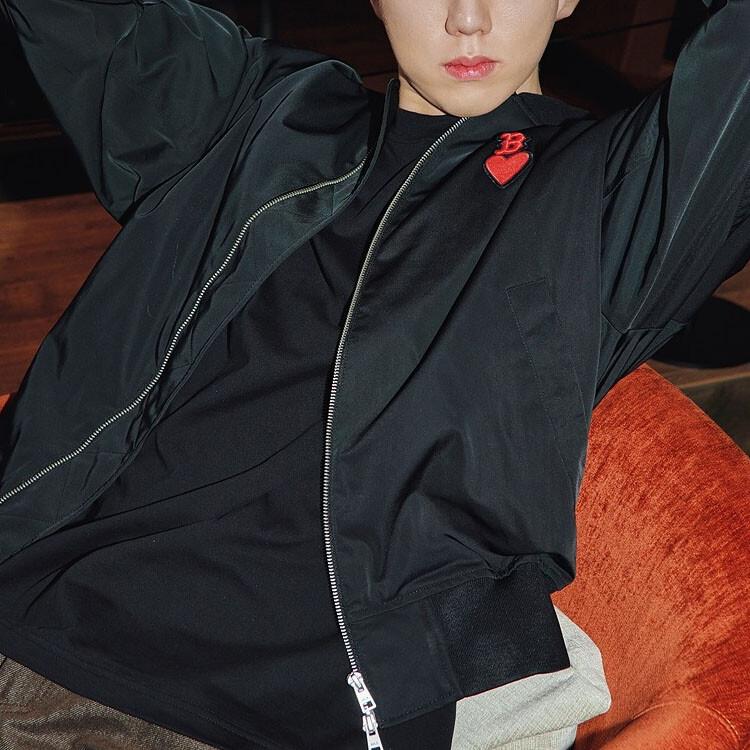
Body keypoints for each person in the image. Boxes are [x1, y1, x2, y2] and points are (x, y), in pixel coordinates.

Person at [0, 0, 748, 748]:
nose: (467, 19)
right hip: (38, 614)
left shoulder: (615, 197)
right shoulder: (257, 112)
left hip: (284, 710)